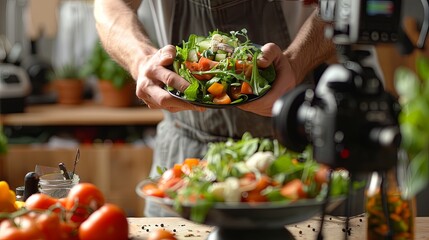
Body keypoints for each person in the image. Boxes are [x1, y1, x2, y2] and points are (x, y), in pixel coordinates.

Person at [93, 0, 336, 217]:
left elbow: (347, 5)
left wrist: (296, 61)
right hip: (188, 160)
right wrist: (141, 59)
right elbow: (110, 4)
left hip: (293, 152)